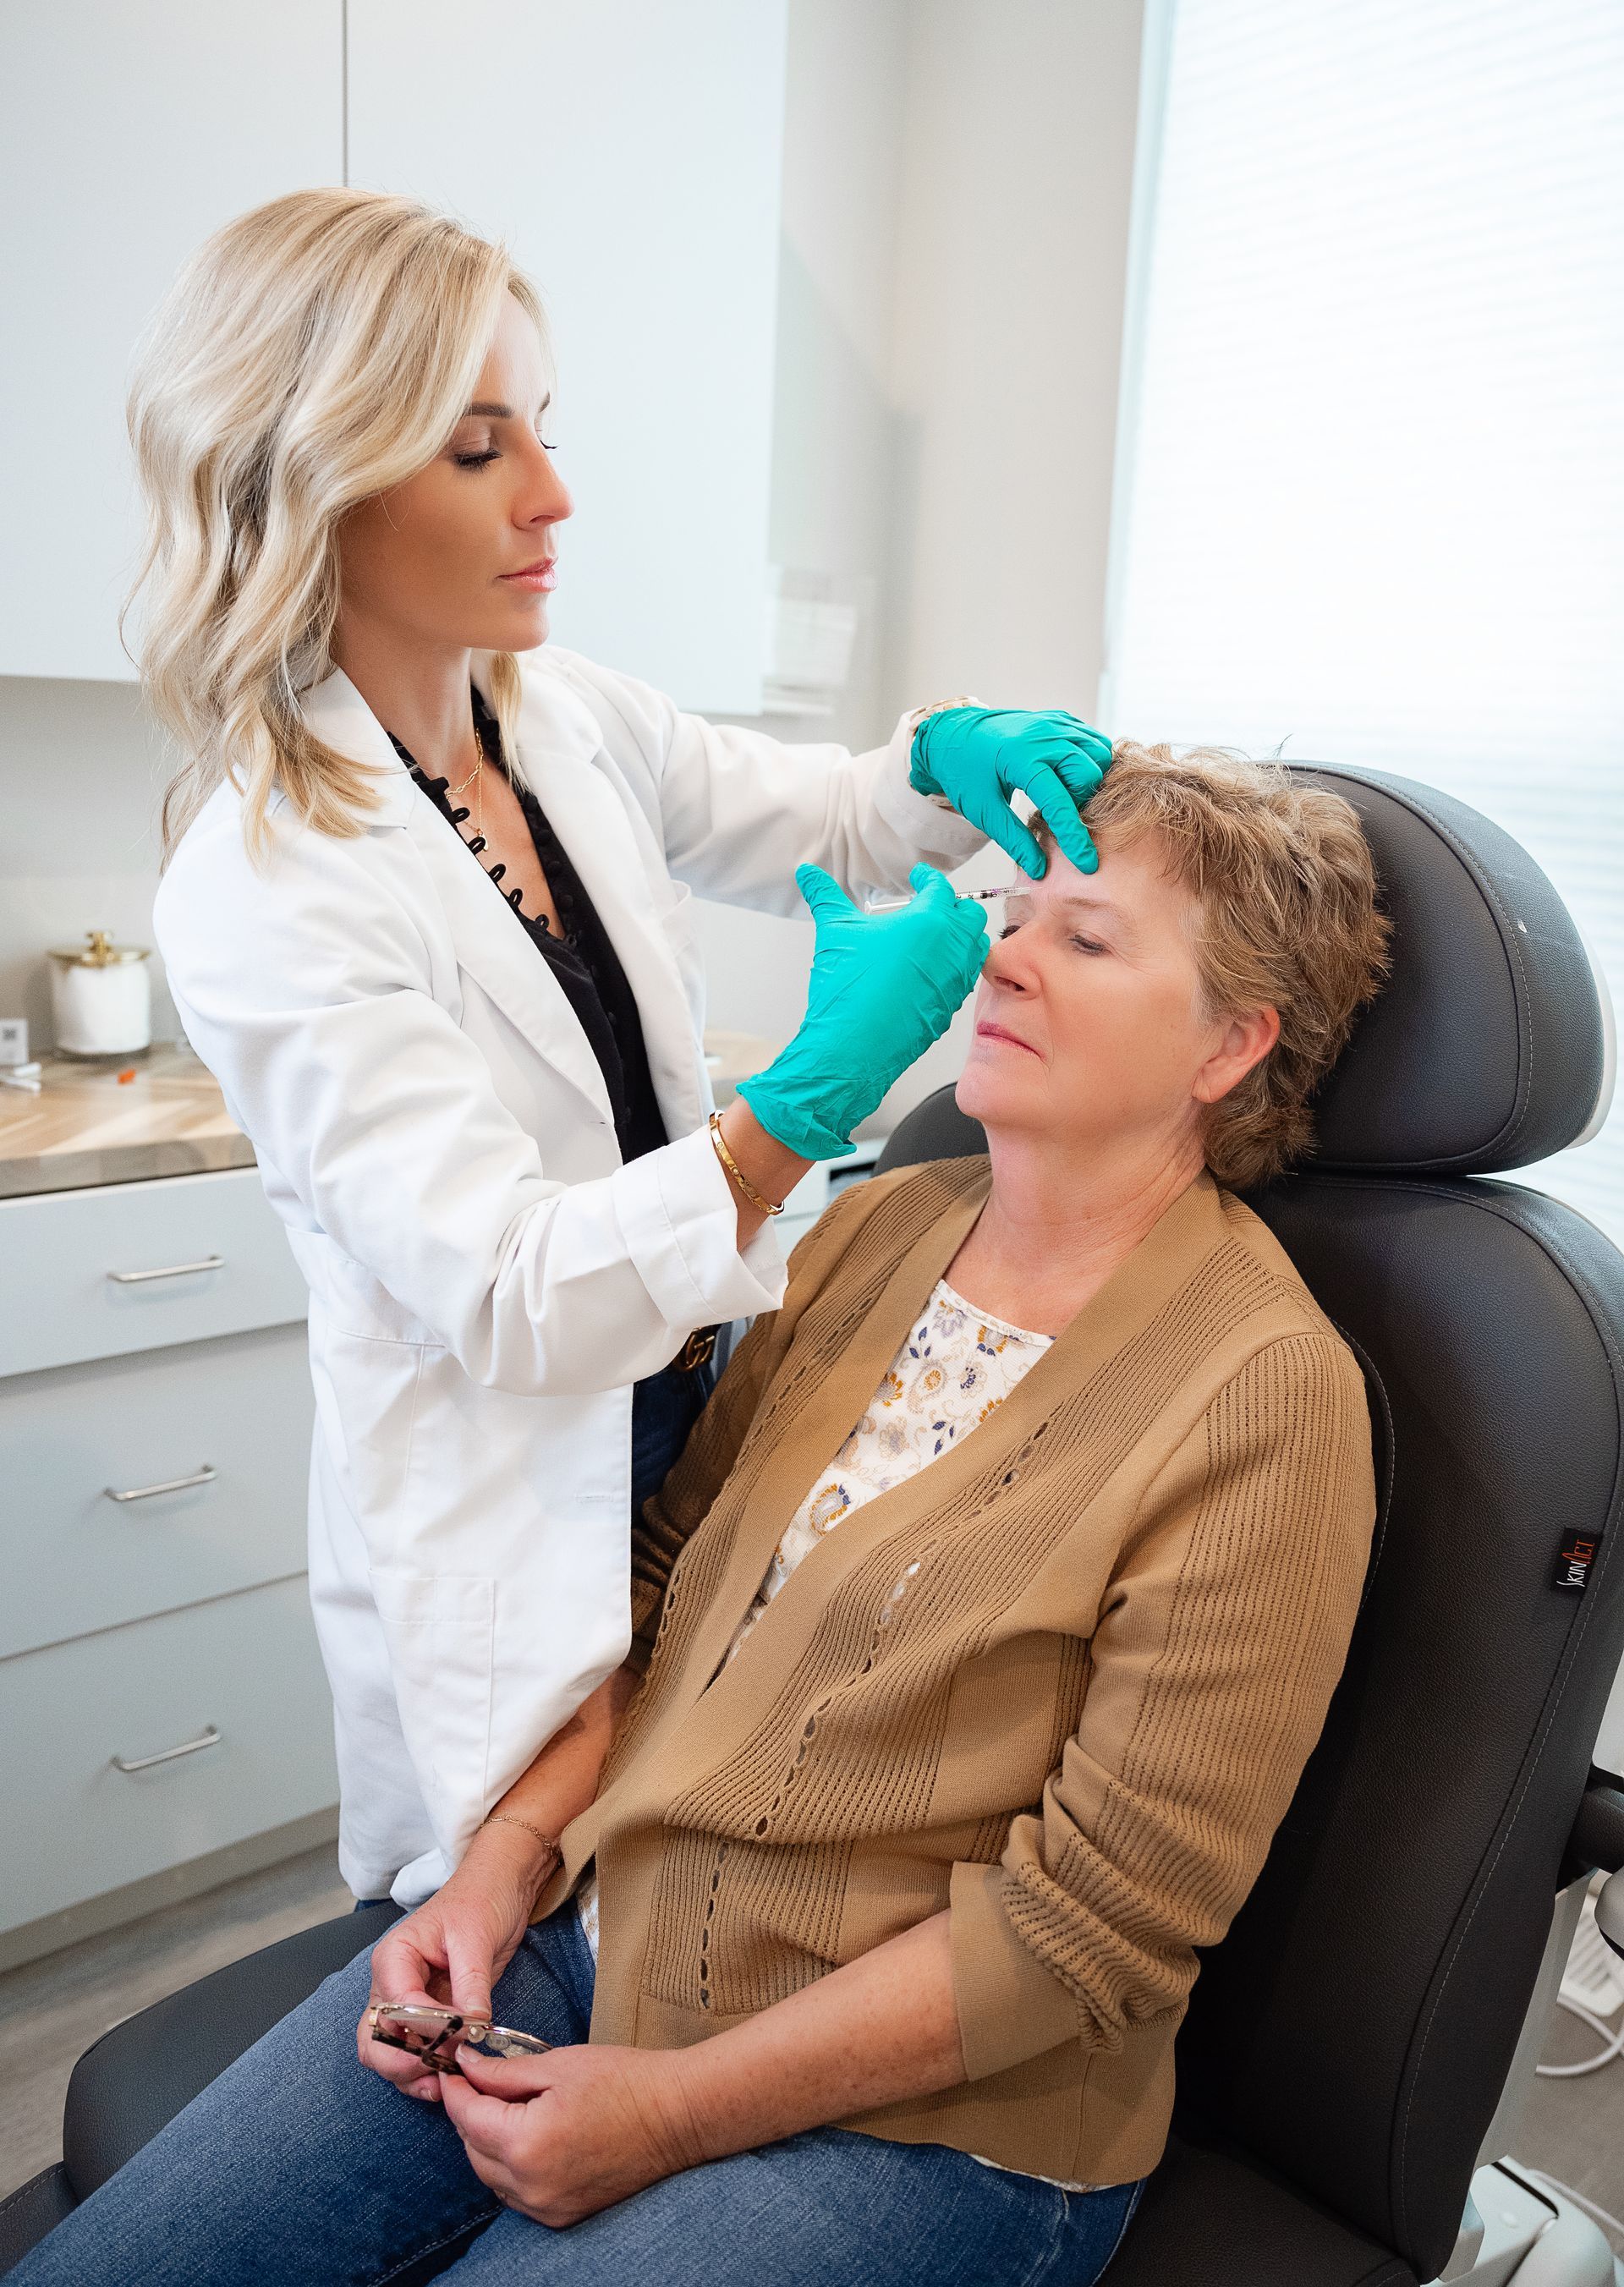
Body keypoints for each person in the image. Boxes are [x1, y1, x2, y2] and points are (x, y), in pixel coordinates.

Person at [19, 745, 1390, 2287]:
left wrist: (669, 2110)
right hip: (586, 1944)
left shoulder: (1263, 1397)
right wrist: (508, 1863)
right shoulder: (871, 1226)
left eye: (1086, 938)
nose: (1002, 951)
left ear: (1232, 1045)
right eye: (1018, 908)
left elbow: (1092, 1927)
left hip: (926, 2124)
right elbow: (658, 1583)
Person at [133, 187, 1112, 1907]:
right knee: (543, 1928)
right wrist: (793, 1114)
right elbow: (516, 1299)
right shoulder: (267, 877)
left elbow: (817, 816)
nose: (553, 496)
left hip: (703, 1406)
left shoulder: (554, 708)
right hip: (524, 1484)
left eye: (545, 431)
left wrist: (935, 760)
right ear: (320, 487)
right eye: (475, 448)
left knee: (698, 1870)